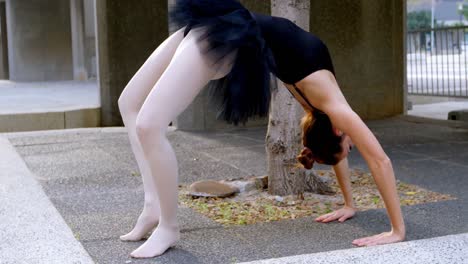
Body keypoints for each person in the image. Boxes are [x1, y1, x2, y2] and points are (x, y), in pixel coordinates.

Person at [117, 0, 406, 259]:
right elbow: (357, 156)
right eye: (350, 147)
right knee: (129, 102)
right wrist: (362, 210)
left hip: (227, 38)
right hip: (219, 21)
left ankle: (169, 226)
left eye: (349, 145)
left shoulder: (326, 105)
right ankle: (153, 205)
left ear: (336, 132)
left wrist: (392, 229)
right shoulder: (324, 106)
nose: (352, 144)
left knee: (148, 126)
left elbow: (376, 159)